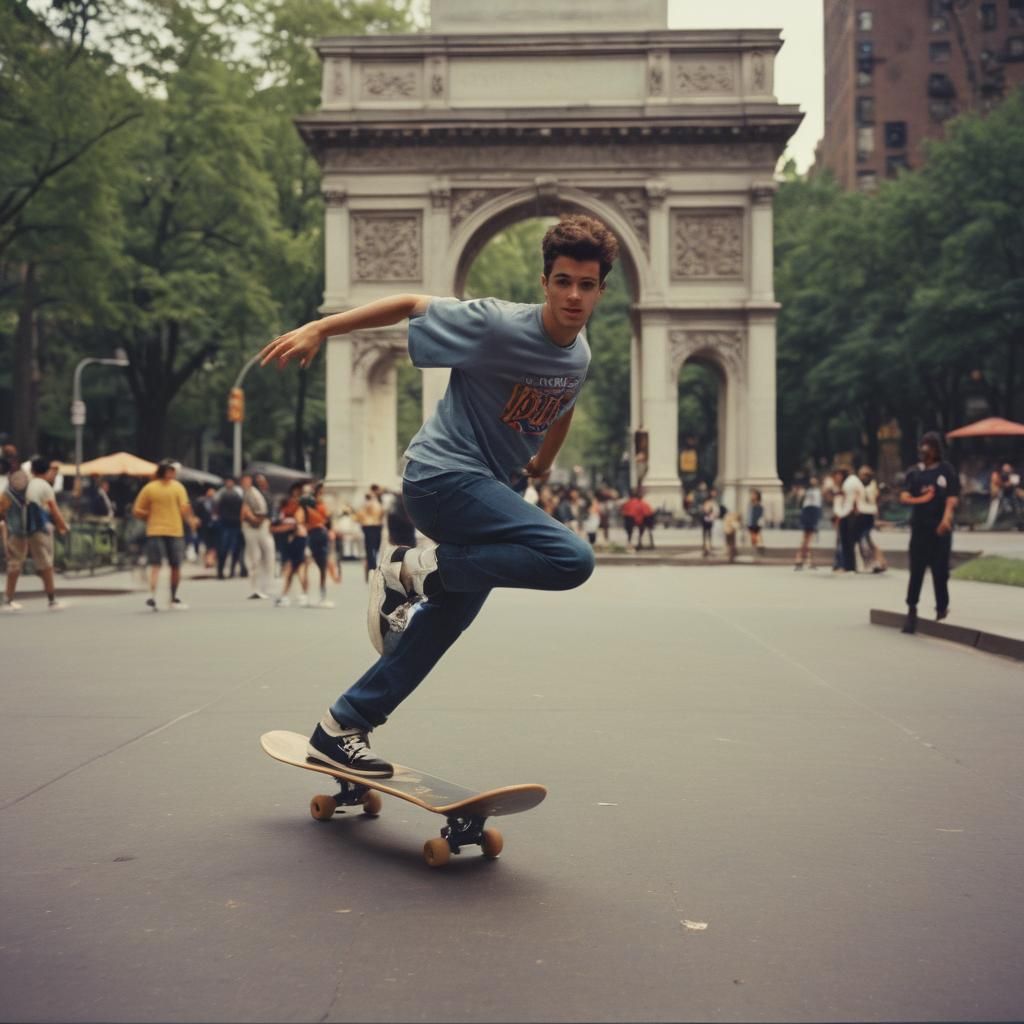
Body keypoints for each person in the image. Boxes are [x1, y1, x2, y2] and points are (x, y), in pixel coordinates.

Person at [259, 212, 615, 776]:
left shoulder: (580, 354)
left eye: (587, 285)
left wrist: (543, 461)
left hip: (485, 494)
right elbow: (408, 304)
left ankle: (342, 725)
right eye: (563, 281)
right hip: (441, 477)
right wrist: (321, 329)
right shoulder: (497, 324)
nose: (573, 295)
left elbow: (563, 403)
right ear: (544, 282)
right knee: (572, 558)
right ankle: (410, 570)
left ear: (600, 290)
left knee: (443, 623)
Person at [899, 432, 959, 634]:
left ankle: (941, 607)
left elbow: (952, 497)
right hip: (920, 528)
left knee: (940, 570)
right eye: (922, 447)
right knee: (916, 570)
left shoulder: (946, 470)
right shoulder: (914, 472)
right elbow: (905, 496)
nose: (925, 451)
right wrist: (922, 500)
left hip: (940, 528)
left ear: (935, 449)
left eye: (928, 447)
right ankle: (911, 608)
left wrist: (947, 518)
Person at [0, 456, 70, 611]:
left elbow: (2, 508)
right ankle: (52, 600)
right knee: (45, 563)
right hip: (37, 528)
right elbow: (54, 510)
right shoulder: (43, 486)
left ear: (31, 470)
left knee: (15, 564)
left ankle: (8, 600)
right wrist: (63, 526)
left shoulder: (20, 486)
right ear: (47, 471)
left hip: (17, 530)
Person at [132, 460, 197, 611]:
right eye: (171, 471)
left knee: (168, 565)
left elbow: (137, 510)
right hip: (170, 530)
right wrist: (191, 522)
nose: (173, 474)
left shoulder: (155, 488)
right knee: (164, 564)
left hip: (163, 530)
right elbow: (184, 509)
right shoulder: (171, 488)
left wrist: (148, 517)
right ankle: (159, 596)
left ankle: (162, 596)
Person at [272, 482, 309, 607]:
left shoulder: (301, 507)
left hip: (296, 537)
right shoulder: (287, 506)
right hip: (291, 537)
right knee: (294, 567)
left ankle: (288, 595)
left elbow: (297, 524)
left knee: (294, 567)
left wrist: (282, 530)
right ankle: (292, 594)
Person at [241, 472, 275, 600]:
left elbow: (265, 514)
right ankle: (257, 588)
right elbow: (245, 511)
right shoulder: (251, 494)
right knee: (255, 558)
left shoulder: (263, 495)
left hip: (263, 527)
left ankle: (265, 586)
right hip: (254, 528)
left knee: (266, 557)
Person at [304, 481, 334, 608]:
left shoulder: (320, 504)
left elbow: (327, 520)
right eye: (321, 491)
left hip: (320, 533)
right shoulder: (311, 504)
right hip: (315, 533)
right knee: (316, 564)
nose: (322, 494)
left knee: (322, 565)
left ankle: (321, 594)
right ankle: (313, 595)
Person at [855, 466, 887, 574]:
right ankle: (872, 563)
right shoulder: (860, 485)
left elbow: (875, 499)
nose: (862, 476)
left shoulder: (872, 485)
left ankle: (879, 562)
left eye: (864, 474)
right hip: (861, 513)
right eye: (861, 474)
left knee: (868, 539)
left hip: (869, 514)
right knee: (863, 539)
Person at [215, 477, 244, 579]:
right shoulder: (221, 493)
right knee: (224, 549)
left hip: (235, 524)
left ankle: (231, 570)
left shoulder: (238, 493)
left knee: (234, 549)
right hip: (225, 524)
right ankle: (221, 571)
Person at [356, 489, 385, 583]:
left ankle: (371, 568)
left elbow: (359, 517)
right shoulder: (375, 504)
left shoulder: (365, 505)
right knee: (372, 549)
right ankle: (372, 568)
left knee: (371, 549)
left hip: (370, 527)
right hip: (373, 527)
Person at [794, 475, 822, 570]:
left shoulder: (817, 491)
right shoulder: (806, 491)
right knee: (807, 538)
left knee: (808, 539)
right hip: (809, 512)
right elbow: (800, 503)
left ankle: (806, 560)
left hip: (812, 512)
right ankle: (800, 559)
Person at [747, 488, 765, 556]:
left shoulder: (758, 505)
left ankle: (757, 550)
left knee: (755, 536)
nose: (752, 496)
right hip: (750, 523)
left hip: (756, 523)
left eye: (754, 494)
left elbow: (760, 515)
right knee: (753, 537)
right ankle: (755, 550)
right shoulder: (750, 504)